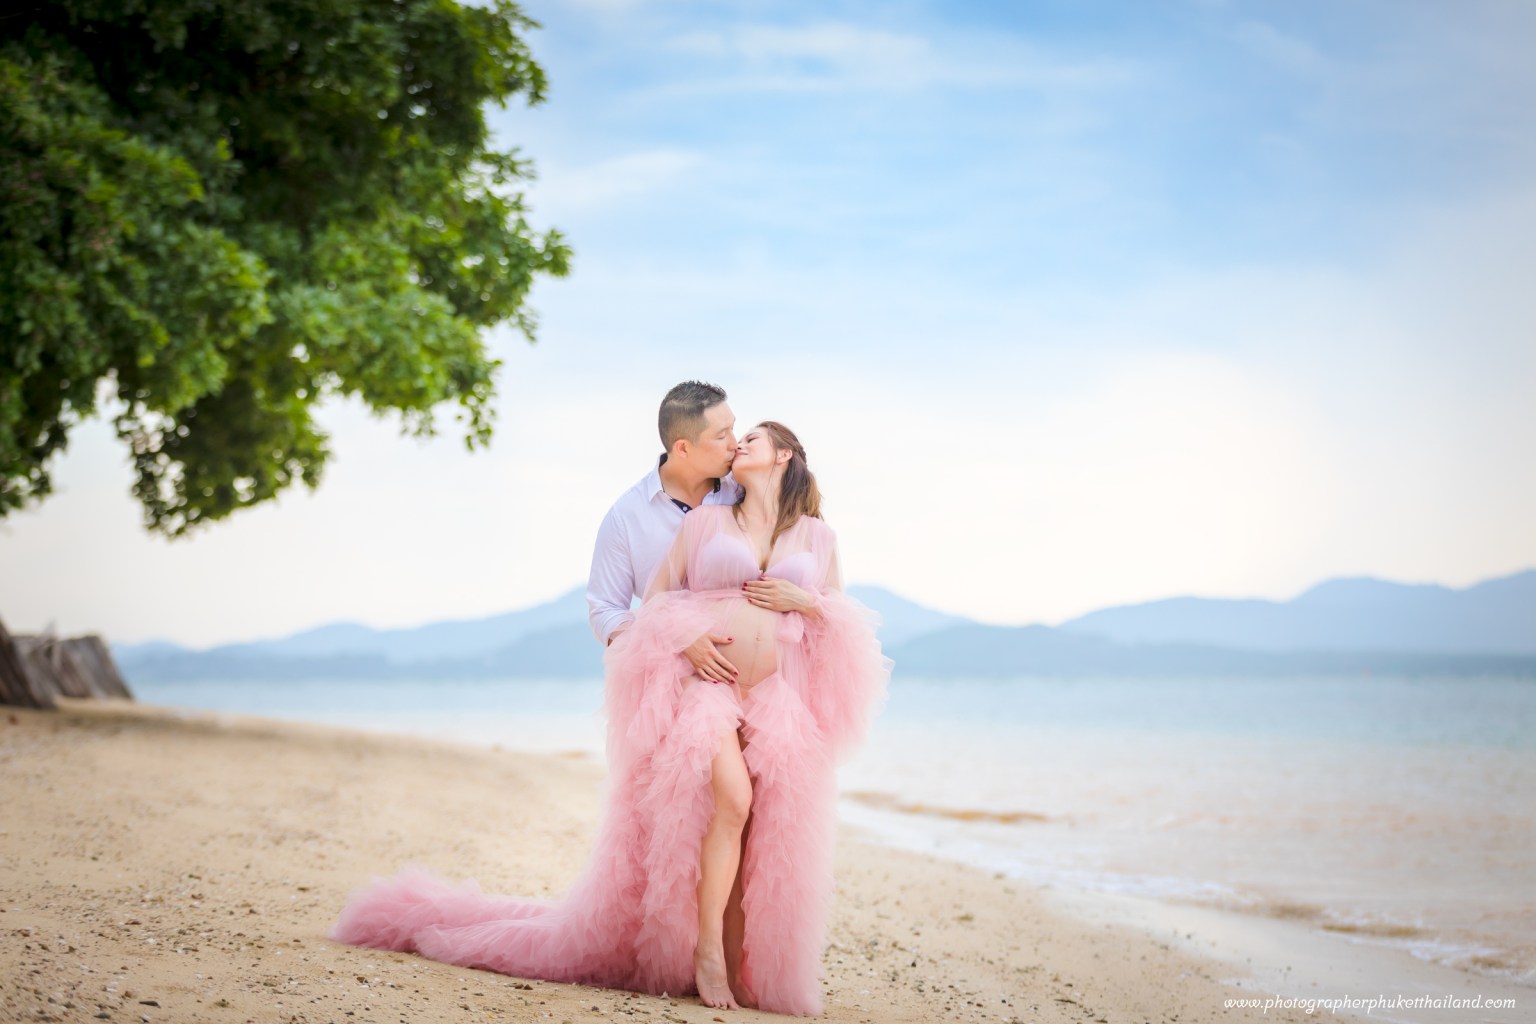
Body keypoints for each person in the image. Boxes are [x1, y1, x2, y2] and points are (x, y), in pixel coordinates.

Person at [330, 420, 890, 1016]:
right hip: (709, 690)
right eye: (733, 435)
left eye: (750, 438)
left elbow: (841, 620)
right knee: (733, 801)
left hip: (779, 697)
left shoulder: (818, 537)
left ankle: (739, 963)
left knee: (759, 833)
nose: (738, 444)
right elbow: (657, 601)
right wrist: (690, 638)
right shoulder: (704, 522)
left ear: (784, 456)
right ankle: (705, 954)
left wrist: (805, 600)